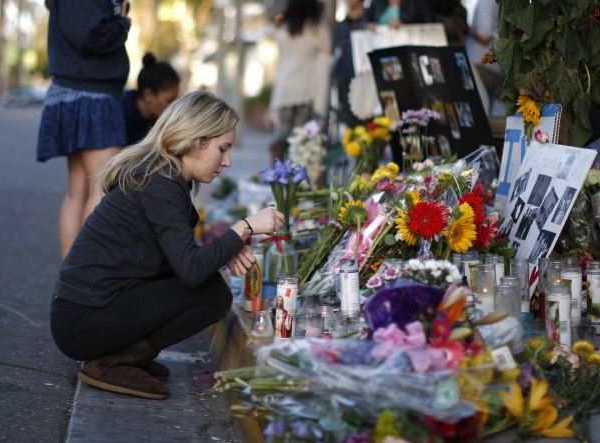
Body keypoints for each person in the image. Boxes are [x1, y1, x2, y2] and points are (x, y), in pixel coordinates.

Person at [50, 91, 285, 400]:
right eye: (222, 149)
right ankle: (113, 362)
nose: (226, 162)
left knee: (210, 287)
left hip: (88, 312)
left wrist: (228, 248)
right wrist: (245, 227)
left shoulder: (165, 176)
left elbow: (176, 258)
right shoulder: (160, 182)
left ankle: (129, 354)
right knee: (211, 294)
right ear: (196, 141)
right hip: (82, 320)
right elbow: (190, 270)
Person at [36, 0, 131, 260]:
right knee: (101, 189)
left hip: (77, 92)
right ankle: (83, 280)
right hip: (93, 96)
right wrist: (122, 23)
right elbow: (92, 36)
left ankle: (72, 282)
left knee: (78, 190)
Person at [268, 0, 331, 160]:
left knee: (281, 142)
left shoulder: (284, 30)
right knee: (302, 146)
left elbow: (280, 66)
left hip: (284, 93)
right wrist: (322, 106)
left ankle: (278, 180)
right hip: (306, 95)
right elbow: (324, 67)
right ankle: (298, 183)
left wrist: (272, 104)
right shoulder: (317, 30)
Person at [121, 52, 180, 146]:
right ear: (148, 94)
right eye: (169, 101)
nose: (172, 107)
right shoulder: (117, 115)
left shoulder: (159, 123)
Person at [332, 0, 368, 127]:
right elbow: (338, 53)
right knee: (350, 125)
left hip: (367, 82)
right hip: (346, 83)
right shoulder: (340, 26)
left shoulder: (371, 20)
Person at [465, 0, 503, 114]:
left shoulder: (485, 2)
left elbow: (484, 36)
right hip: (493, 64)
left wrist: (466, 28)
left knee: (480, 109)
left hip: (481, 63)